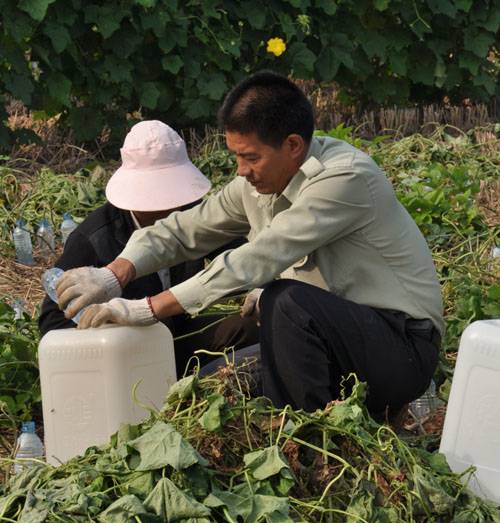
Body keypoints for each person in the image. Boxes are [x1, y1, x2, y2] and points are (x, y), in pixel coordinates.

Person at [55, 72, 444, 417]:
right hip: (333, 340)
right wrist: (112, 275)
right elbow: (187, 228)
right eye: (236, 157)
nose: (242, 171)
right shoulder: (258, 184)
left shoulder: (345, 179)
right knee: (207, 391)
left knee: (284, 301)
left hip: (400, 349)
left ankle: (311, 443)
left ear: (292, 145)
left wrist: (148, 309)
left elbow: (258, 258)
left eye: (250, 158)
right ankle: (302, 429)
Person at [39, 120, 258, 375]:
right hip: (125, 356)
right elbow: (51, 323)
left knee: (250, 327)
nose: (169, 207)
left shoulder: (189, 213)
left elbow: (237, 254)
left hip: (174, 333)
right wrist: (110, 322)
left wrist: (258, 286)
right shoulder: (94, 238)